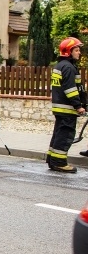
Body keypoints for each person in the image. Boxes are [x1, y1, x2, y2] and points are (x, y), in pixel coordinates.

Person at [47, 38, 86, 172]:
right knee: (65, 135)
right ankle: (59, 162)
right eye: (76, 50)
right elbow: (71, 89)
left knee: (58, 134)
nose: (79, 52)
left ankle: (52, 160)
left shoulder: (60, 66)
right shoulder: (69, 67)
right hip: (67, 108)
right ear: (68, 52)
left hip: (60, 107)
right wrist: (78, 106)